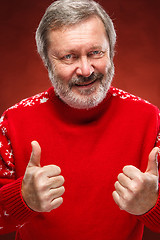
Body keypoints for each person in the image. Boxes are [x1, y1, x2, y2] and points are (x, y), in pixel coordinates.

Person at [0, 0, 160, 239]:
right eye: (68, 57)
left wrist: (151, 207)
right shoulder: (12, 120)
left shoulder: (151, 119)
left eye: (96, 52)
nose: (86, 70)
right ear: (46, 61)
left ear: (112, 50)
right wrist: (21, 200)